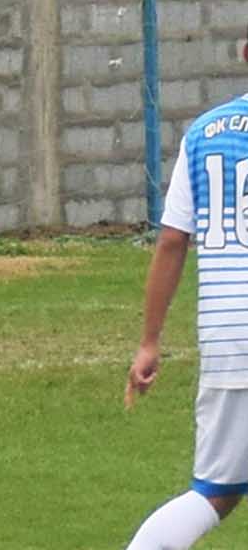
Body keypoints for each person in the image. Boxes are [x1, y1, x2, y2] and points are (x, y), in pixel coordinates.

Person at [122, 72, 248, 549]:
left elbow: (173, 241)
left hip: (226, 339)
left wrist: (149, 342)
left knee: (215, 492)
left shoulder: (203, 134)